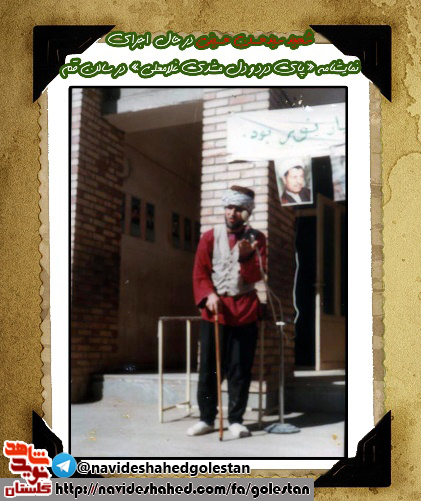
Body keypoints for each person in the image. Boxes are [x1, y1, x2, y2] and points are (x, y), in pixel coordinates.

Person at [187, 186, 267, 439]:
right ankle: (206, 418)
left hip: (245, 311)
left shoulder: (258, 239)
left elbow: (256, 277)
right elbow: (200, 272)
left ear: (247, 212)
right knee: (209, 368)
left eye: (238, 209)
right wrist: (209, 294)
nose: (232, 213)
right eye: (229, 207)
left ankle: (235, 420)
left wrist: (246, 257)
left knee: (239, 369)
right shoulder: (210, 237)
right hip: (215, 312)